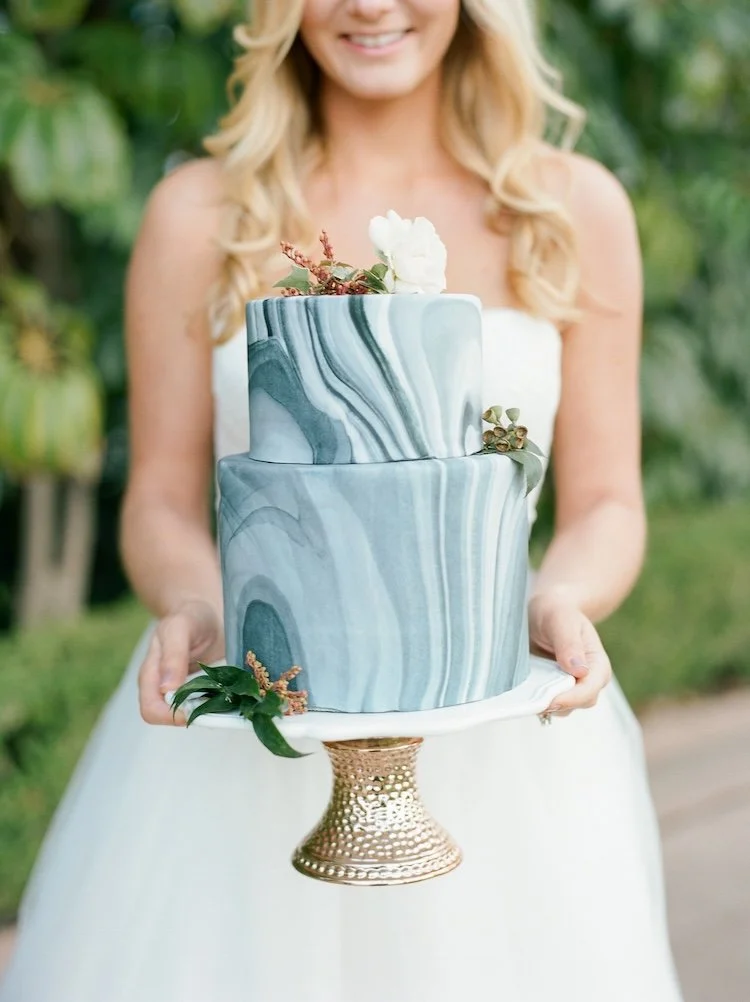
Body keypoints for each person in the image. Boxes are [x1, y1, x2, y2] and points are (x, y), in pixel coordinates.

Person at [1, 2, 685, 1000]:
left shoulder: (572, 211)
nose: (368, 5)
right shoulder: (197, 217)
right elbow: (157, 500)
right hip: (251, 737)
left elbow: (609, 501)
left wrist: (555, 601)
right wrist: (202, 609)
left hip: (502, 735)